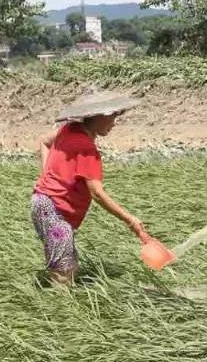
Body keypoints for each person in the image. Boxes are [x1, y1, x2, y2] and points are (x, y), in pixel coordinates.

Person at [31, 92, 153, 285]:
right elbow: (97, 193)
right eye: (112, 116)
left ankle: (56, 300)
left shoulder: (69, 129)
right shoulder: (86, 148)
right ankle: (57, 310)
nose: (114, 122)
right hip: (54, 212)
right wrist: (130, 220)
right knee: (63, 271)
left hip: (42, 203)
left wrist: (45, 176)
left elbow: (44, 142)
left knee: (67, 263)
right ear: (97, 116)